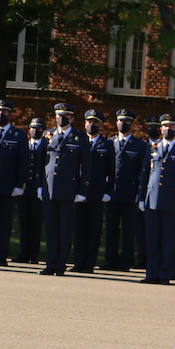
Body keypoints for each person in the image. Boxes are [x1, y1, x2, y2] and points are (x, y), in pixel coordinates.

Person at [140, 114, 175, 284]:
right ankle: (151, 273)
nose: (169, 129)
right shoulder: (153, 146)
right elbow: (145, 173)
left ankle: (165, 274)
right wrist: (141, 197)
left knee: (169, 240)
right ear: (161, 128)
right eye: (165, 126)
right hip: (152, 200)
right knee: (152, 239)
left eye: (172, 126)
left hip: (172, 201)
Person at [40, 103, 88, 276]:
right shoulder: (48, 135)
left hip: (69, 190)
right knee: (51, 228)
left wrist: (82, 190)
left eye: (65, 116)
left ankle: (60, 264)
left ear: (72, 118)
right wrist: (40, 185)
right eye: (58, 115)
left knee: (65, 229)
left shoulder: (79, 137)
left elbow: (86, 165)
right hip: (49, 189)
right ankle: (50, 263)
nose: (61, 118)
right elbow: (41, 161)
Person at [104, 110, 148, 271]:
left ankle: (125, 261)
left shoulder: (140, 145)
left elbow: (142, 172)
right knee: (111, 229)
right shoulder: (110, 143)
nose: (123, 124)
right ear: (116, 123)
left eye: (127, 121)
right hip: (111, 193)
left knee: (128, 230)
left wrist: (139, 193)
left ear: (132, 124)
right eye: (120, 121)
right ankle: (110, 260)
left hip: (130, 194)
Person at [0, 100, 28, 267]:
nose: (1, 114)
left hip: (8, 186)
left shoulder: (18, 135)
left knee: (4, 222)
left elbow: (23, 162)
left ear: (10, 114)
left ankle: (2, 255)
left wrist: (19, 185)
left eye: (5, 111)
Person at [71, 109, 112, 273]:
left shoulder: (107, 144)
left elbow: (111, 170)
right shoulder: (78, 141)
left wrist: (108, 191)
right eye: (89, 121)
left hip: (96, 193)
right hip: (78, 191)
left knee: (94, 230)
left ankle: (89, 263)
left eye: (95, 122)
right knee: (78, 229)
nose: (91, 124)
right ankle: (78, 262)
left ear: (100, 125)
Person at [18, 117, 47, 264]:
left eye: (39, 128)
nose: (35, 130)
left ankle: (33, 255)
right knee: (24, 223)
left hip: (38, 190)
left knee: (35, 224)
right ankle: (23, 253)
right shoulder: (25, 145)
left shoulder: (46, 145)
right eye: (33, 127)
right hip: (25, 189)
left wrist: (41, 186)